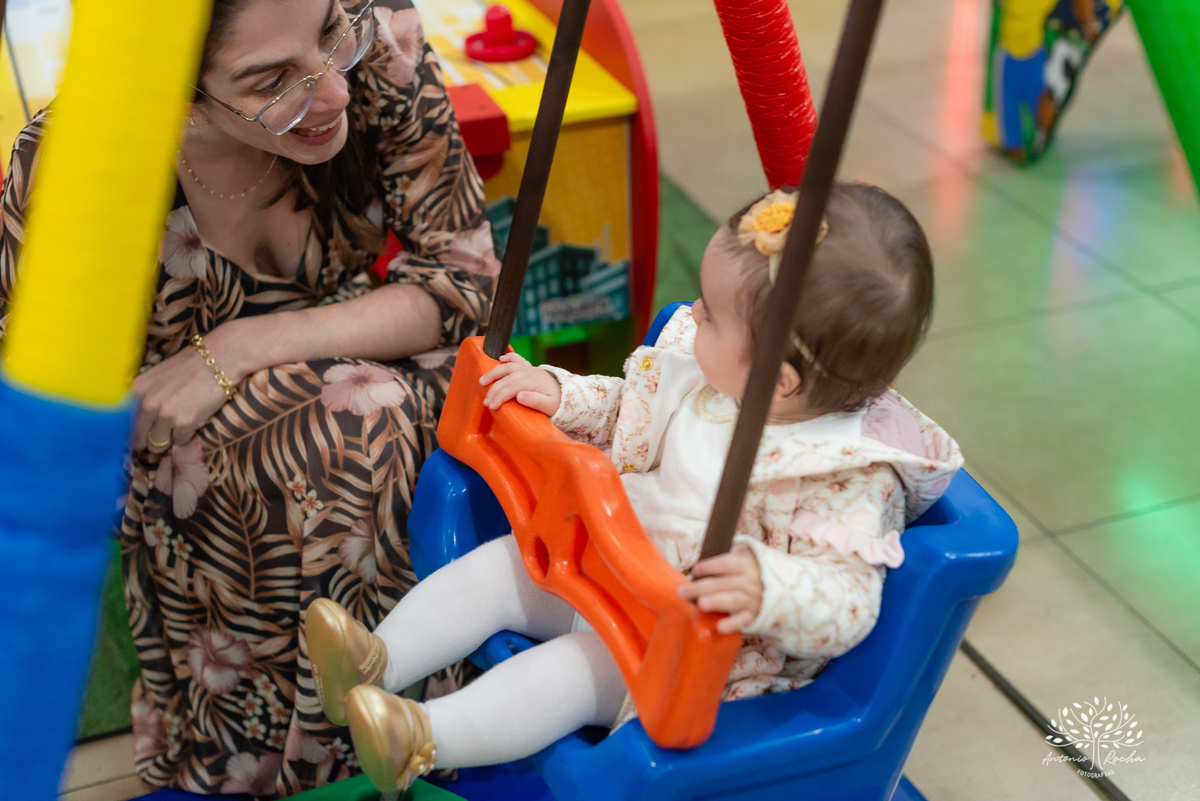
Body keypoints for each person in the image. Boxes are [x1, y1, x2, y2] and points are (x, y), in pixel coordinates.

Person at [304, 182, 965, 792]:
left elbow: (848, 600)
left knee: (566, 675)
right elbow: (629, 409)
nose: (693, 313)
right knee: (497, 568)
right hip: (600, 562)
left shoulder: (843, 474)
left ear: (782, 378)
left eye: (712, 316)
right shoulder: (711, 374)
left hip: (673, 646)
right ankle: (380, 659)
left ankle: (421, 737)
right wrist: (560, 393)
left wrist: (767, 586)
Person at [0, 0, 497, 795]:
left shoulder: (376, 41)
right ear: (179, 90)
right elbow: (43, 419)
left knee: (422, 416)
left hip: (371, 367)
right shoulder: (81, 158)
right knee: (346, 438)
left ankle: (432, 721)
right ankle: (327, 758)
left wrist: (241, 346)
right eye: (272, 80)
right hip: (185, 444)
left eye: (333, 30)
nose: (331, 91)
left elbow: (467, 280)